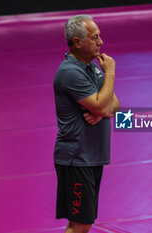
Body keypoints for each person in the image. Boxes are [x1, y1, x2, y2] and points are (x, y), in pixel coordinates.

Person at [53, 14, 120, 233]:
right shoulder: (70, 73)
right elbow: (104, 105)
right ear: (78, 42)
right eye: (95, 38)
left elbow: (115, 105)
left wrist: (100, 113)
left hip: (91, 157)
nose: (101, 42)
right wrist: (109, 72)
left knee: (82, 222)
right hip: (77, 159)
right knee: (80, 224)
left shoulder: (91, 68)